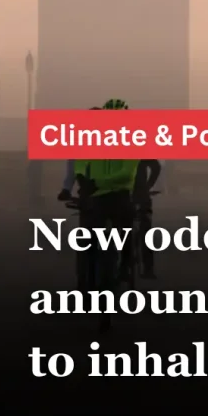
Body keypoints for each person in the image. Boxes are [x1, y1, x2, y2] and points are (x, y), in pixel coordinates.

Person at [73, 100, 139, 286]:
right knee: (86, 237)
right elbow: (80, 160)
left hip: (119, 194)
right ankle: (84, 276)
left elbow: (127, 174)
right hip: (98, 196)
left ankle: (125, 264)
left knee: (125, 231)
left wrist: (97, 182)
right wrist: (81, 177)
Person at [133, 159, 162, 279]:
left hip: (121, 194)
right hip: (141, 194)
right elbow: (156, 167)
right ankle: (148, 268)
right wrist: (148, 186)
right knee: (145, 230)